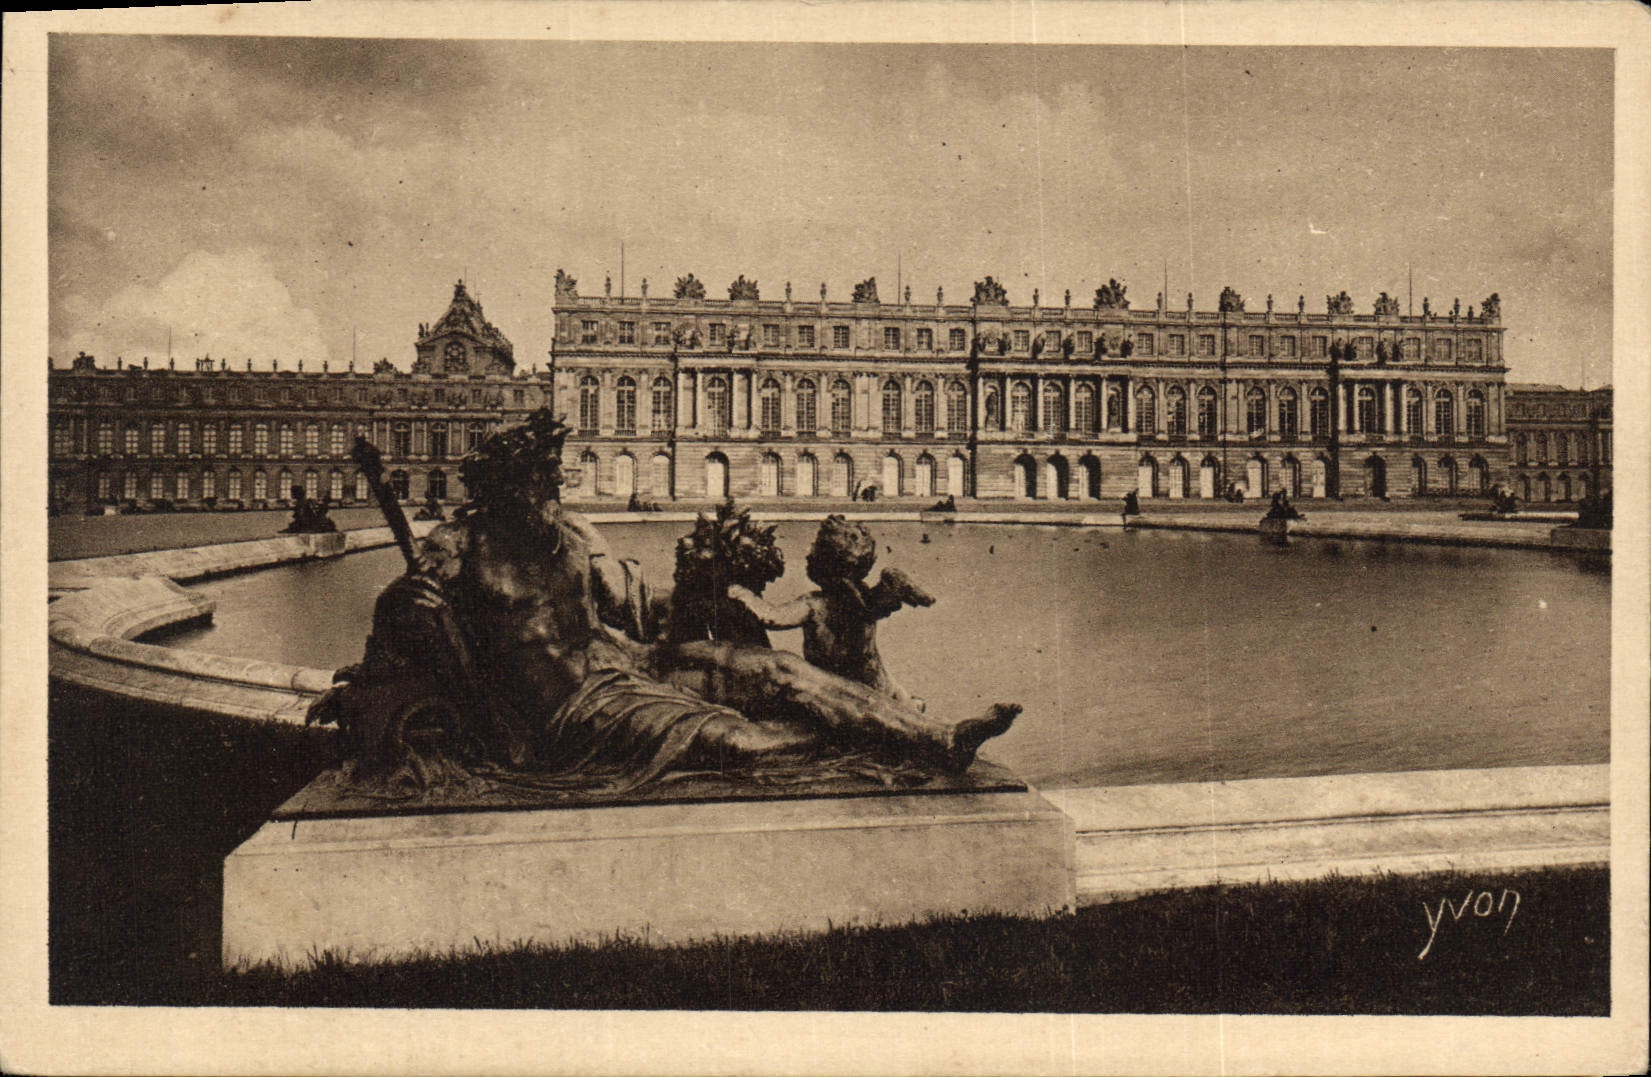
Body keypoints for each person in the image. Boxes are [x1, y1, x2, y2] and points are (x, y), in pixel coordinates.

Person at [316, 409, 1017, 792]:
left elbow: (634, 608)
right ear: (503, 486)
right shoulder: (457, 546)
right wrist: (401, 606)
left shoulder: (572, 533)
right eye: (538, 480)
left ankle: (935, 739)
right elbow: (398, 626)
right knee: (736, 741)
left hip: (626, 664)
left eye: (551, 478)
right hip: (569, 711)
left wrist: (707, 580)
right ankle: (858, 737)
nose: (550, 490)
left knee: (773, 669)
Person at [726, 515, 934, 709]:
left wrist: (744, 594)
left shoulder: (815, 604)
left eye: (815, 548)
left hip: (836, 690)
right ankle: (907, 702)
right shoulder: (867, 600)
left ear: (824, 560)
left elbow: (772, 618)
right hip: (876, 683)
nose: (808, 553)